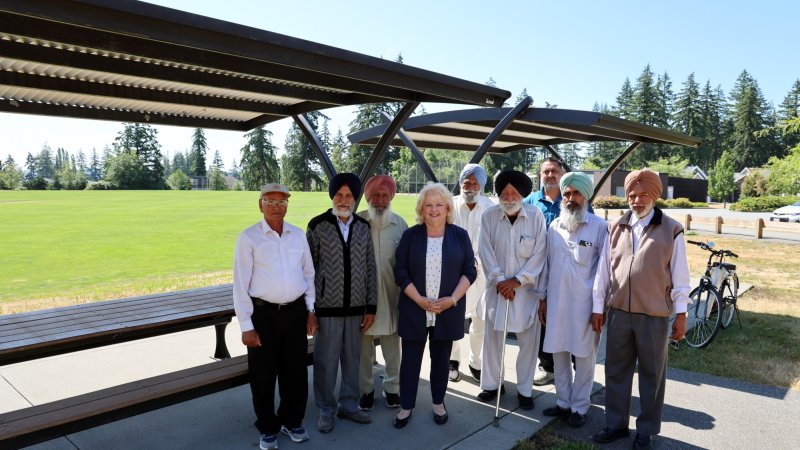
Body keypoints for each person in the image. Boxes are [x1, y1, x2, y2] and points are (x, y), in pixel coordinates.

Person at [591, 169, 690, 450]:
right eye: (632, 195)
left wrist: (680, 315)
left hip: (654, 316)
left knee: (651, 373)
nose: (636, 200)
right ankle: (615, 424)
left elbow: (681, 277)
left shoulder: (672, 229)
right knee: (616, 370)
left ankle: (645, 430)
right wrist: (598, 308)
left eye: (643, 195)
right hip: (619, 312)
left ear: (655, 196)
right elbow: (603, 273)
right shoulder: (615, 227)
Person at [232, 183, 317, 450]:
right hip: (263, 315)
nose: (277, 207)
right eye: (271, 202)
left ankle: (292, 421)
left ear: (288, 205)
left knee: (295, 372)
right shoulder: (249, 238)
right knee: (263, 374)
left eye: (282, 202)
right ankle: (267, 426)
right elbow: (240, 285)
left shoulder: (297, 235)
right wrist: (246, 325)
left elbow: (308, 275)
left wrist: (311, 310)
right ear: (260, 205)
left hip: (295, 312)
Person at [392, 182, 476, 428]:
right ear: (421, 209)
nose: (434, 209)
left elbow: (470, 271)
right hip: (414, 309)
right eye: (428, 205)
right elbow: (400, 271)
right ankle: (406, 405)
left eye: (439, 204)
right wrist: (418, 299)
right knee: (410, 361)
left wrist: (452, 299)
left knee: (441, 360)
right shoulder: (411, 235)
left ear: (448, 208)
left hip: (447, 311)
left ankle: (438, 402)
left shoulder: (460, 236)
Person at [306, 173, 377, 433]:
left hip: (357, 310)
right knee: (325, 362)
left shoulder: (362, 226)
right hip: (327, 310)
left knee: (352, 361)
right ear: (332, 196)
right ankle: (326, 409)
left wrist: (371, 307)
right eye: (339, 195)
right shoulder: (318, 225)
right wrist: (310, 310)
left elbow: (370, 267)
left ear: (355, 198)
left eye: (349, 195)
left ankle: (349, 405)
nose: (344, 200)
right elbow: (308, 271)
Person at [537, 172, 607, 428]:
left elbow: (604, 273)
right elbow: (546, 266)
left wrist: (599, 308)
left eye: (576, 193)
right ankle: (563, 402)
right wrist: (542, 299)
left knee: (585, 357)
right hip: (556, 304)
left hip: (585, 307)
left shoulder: (600, 227)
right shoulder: (554, 227)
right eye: (567, 194)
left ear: (586, 196)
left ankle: (579, 407)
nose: (570, 198)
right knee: (559, 354)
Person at [478, 170, 547, 410]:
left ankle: (525, 390)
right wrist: (500, 281)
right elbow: (484, 251)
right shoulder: (489, 216)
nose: (509, 197)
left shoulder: (536, 216)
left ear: (522, 194)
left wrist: (517, 281)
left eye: (514, 192)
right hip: (497, 291)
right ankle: (491, 385)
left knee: (528, 343)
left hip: (526, 292)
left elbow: (540, 253)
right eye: (504, 193)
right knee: (493, 340)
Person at [356, 175, 408, 411]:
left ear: (391, 197)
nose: (379, 200)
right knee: (363, 350)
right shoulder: (356, 223)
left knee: (391, 348)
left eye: (384, 195)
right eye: (375, 195)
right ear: (368, 198)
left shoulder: (400, 224)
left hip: (391, 296)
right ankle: (365, 390)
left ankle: (392, 389)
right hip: (362, 299)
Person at [448, 163, 494, 382]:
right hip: (454, 272)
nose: (470, 186)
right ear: (461, 182)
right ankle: (452, 361)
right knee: (452, 318)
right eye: (467, 181)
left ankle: (476, 362)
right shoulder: (450, 204)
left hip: (483, 273)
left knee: (480, 319)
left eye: (475, 182)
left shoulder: (490, 206)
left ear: (482, 185)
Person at [522, 157, 564, 386]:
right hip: (536, 271)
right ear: (540, 175)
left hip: (563, 271)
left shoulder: (571, 199)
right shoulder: (529, 201)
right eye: (546, 172)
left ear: (561, 173)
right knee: (540, 318)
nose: (550, 175)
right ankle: (547, 366)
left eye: (554, 171)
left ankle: (569, 366)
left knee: (563, 318)